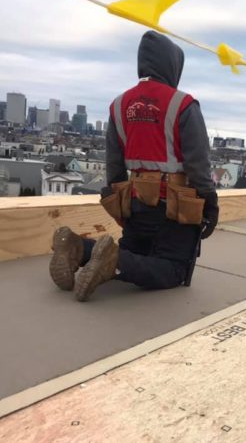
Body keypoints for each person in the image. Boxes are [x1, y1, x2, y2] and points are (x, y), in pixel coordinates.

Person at [49, 31, 218, 301]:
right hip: (175, 209)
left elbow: (114, 166)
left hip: (136, 204)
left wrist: (119, 205)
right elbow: (198, 166)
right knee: (173, 269)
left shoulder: (119, 105)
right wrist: (210, 205)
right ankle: (112, 263)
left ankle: (80, 248)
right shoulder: (183, 104)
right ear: (172, 65)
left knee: (135, 253)